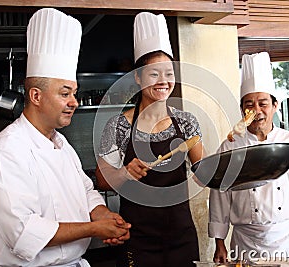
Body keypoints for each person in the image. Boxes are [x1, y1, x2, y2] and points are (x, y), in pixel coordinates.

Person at [0, 8, 130, 267]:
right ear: (36, 96)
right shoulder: (6, 152)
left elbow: (86, 190)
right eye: (65, 93)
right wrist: (94, 229)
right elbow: (24, 233)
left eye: (74, 93)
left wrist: (103, 215)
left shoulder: (61, 143)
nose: (74, 102)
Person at [95, 12, 204, 267]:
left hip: (181, 235)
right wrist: (124, 173)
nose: (163, 81)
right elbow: (102, 179)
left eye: (168, 73)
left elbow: (203, 171)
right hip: (138, 237)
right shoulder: (118, 126)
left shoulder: (187, 122)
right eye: (154, 74)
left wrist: (230, 159)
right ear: (138, 77)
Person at [208, 52, 289, 262]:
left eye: (263, 103)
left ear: (275, 106)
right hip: (246, 241)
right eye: (249, 105)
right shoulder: (230, 146)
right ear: (242, 109)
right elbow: (220, 196)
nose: (257, 110)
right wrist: (219, 242)